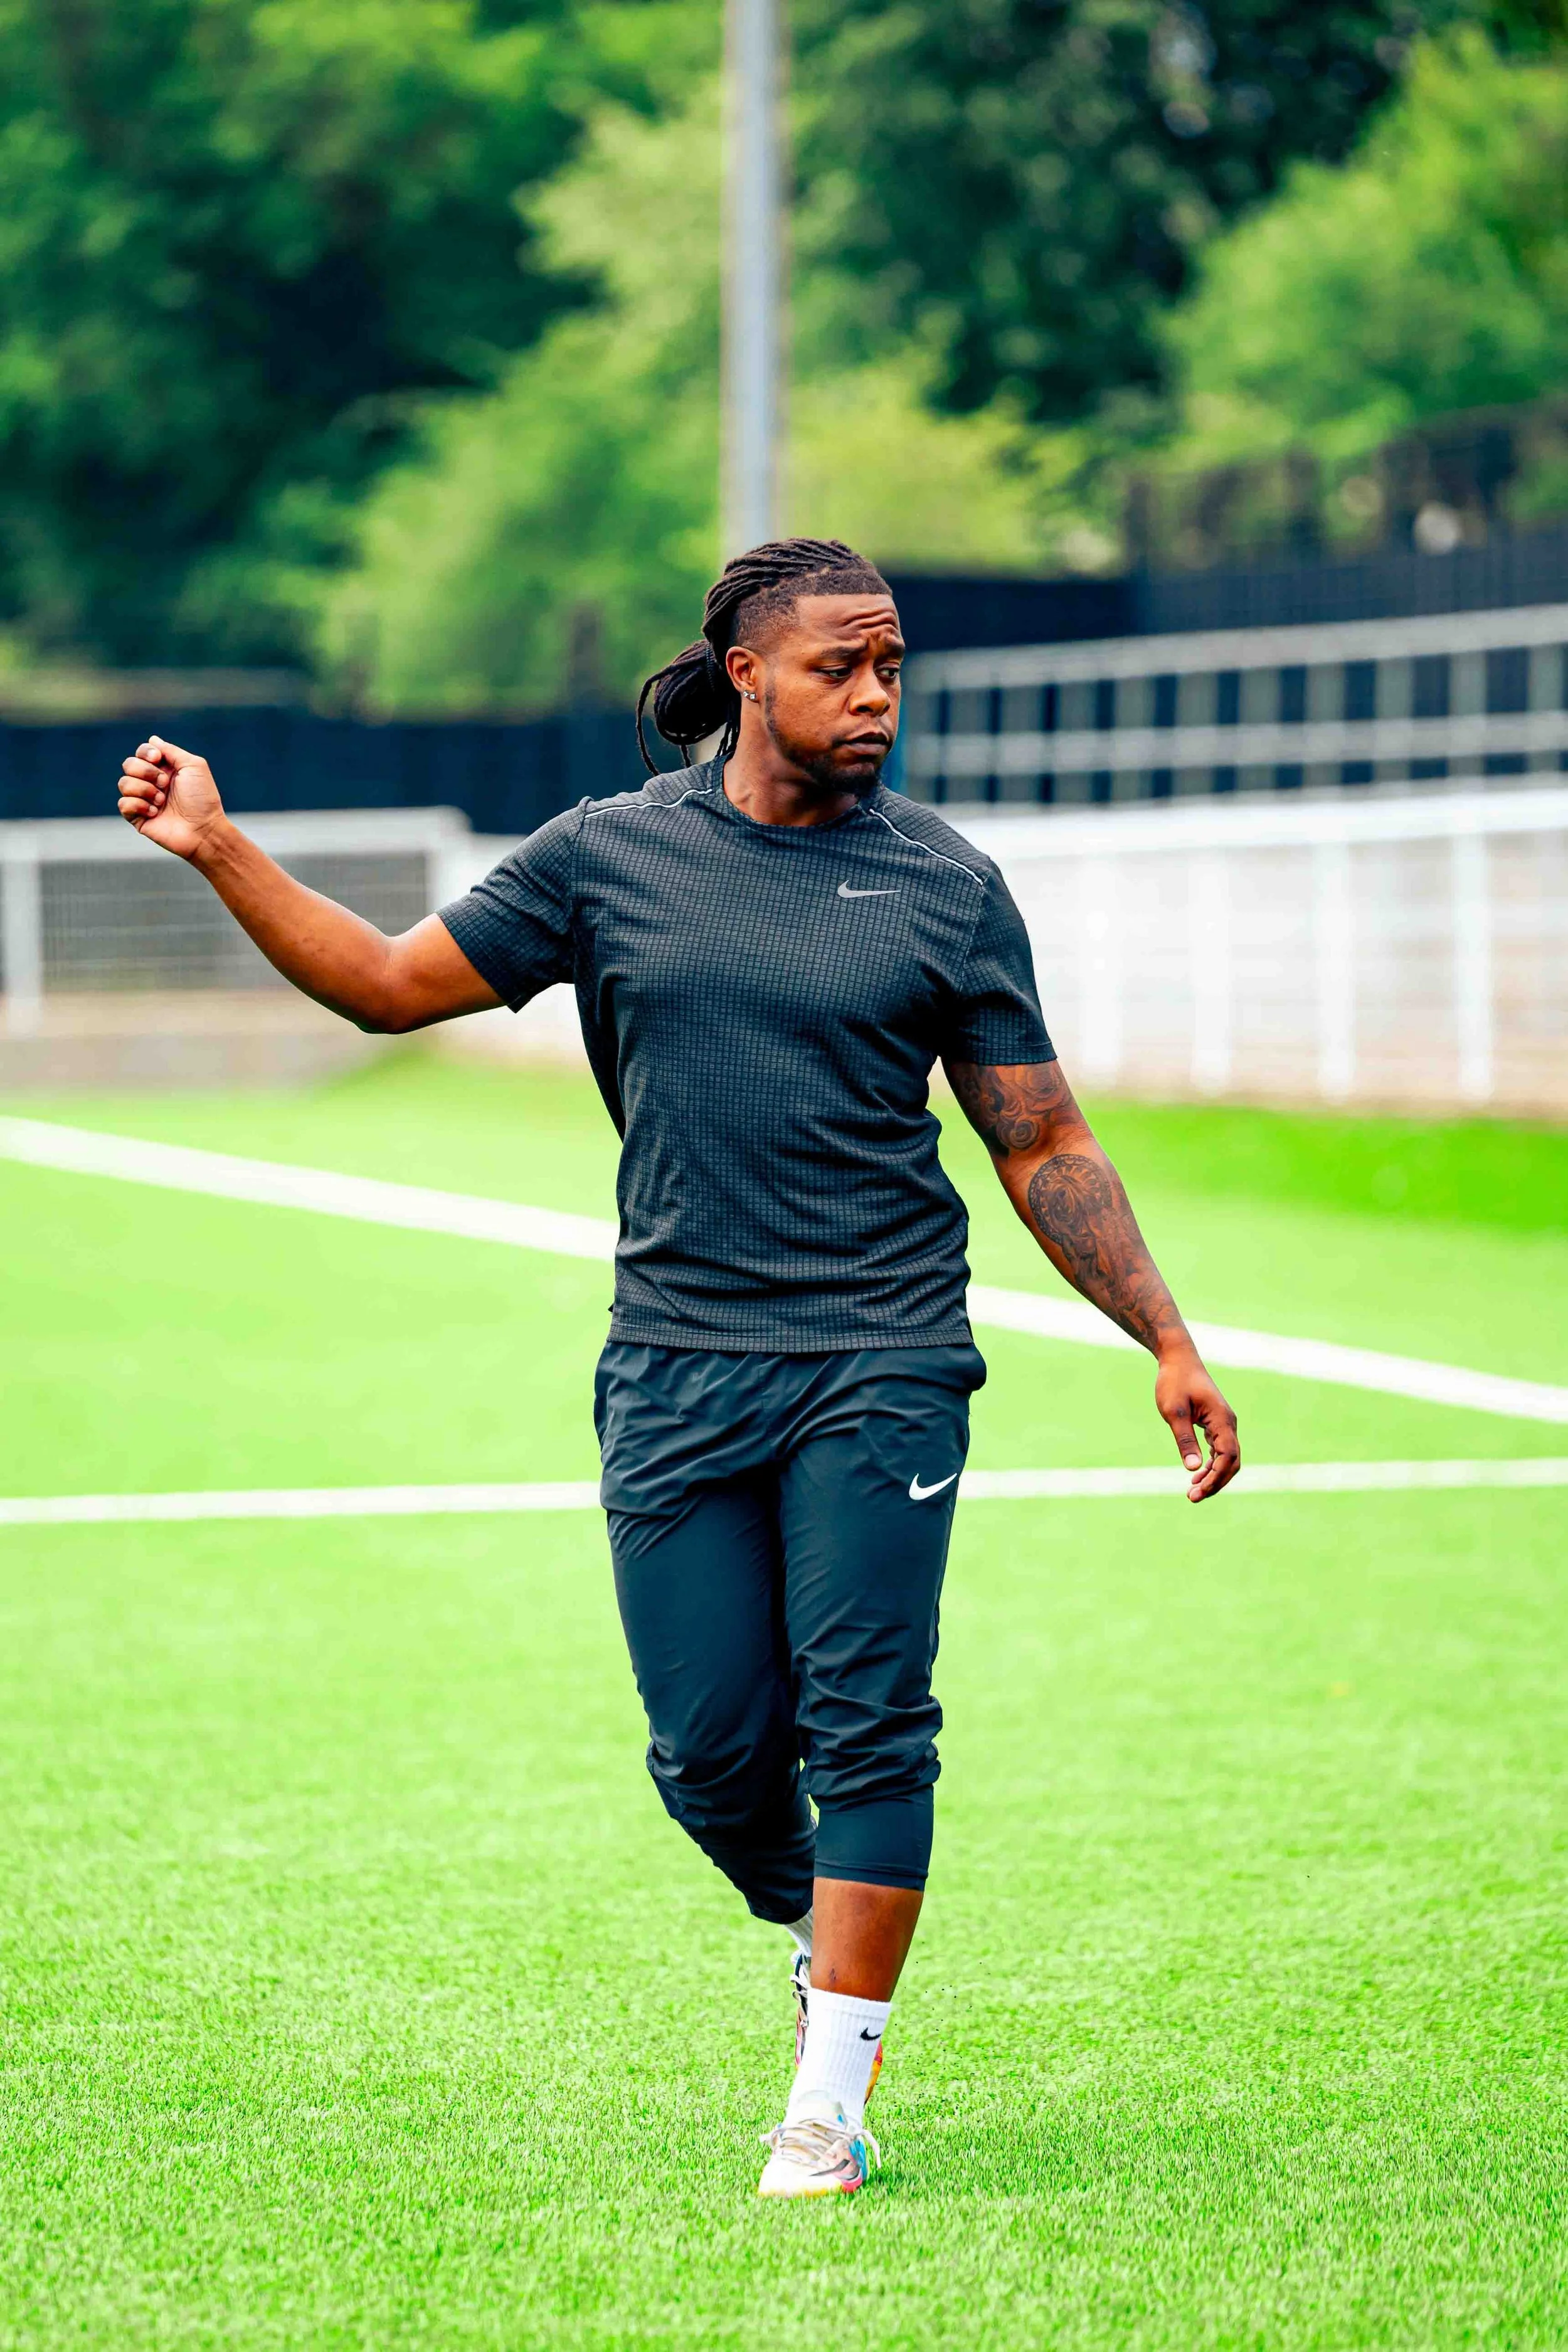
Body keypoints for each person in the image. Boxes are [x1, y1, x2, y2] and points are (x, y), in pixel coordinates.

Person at [116, 536, 1239, 2198]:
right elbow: (386, 988)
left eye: (893, 667)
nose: (875, 697)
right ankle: (820, 1927)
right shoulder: (606, 859)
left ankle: (829, 2097)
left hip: (882, 1352)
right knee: (708, 1755)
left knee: (870, 1720)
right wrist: (219, 846)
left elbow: (1042, 1137)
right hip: (675, 1361)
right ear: (746, 676)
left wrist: (1165, 1336)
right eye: (840, 668)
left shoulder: (943, 881)